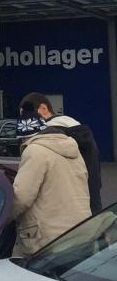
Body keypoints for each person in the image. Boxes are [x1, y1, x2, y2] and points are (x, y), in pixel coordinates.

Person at [12, 102, 91, 257]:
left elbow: (20, 197)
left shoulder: (34, 151)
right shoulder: (73, 150)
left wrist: (0, 218)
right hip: (80, 232)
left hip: (48, 240)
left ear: (24, 138)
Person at [20, 92, 102, 213]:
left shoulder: (49, 138)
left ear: (43, 108)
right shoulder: (81, 130)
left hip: (65, 210)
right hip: (91, 205)